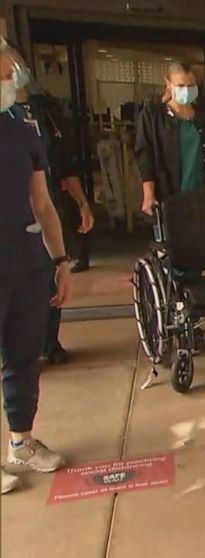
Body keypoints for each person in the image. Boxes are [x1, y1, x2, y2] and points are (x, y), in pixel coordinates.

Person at [1, 38, 73, 495]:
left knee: (25, 353)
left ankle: (21, 442)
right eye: (6, 72)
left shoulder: (22, 126)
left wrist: (61, 260)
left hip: (24, 257)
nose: (13, 78)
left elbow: (42, 202)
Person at [14, 82, 94, 364]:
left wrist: (82, 202)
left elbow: (63, 164)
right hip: (12, 223)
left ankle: (49, 342)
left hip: (45, 208)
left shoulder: (42, 115)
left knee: (52, 278)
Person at [135, 61, 205, 216]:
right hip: (172, 197)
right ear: (169, 84)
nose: (186, 90)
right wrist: (148, 195)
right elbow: (145, 156)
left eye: (191, 85)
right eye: (181, 85)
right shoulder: (153, 116)